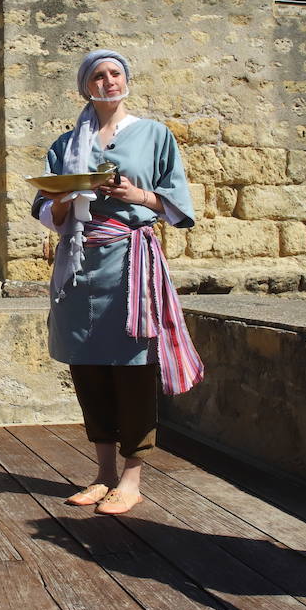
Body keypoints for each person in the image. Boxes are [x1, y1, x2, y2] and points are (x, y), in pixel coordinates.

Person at [33, 50, 202, 516]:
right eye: (98, 76)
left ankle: (131, 478)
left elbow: (178, 205)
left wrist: (137, 195)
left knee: (132, 365)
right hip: (79, 264)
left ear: (126, 80)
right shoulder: (67, 143)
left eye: (115, 74)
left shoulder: (154, 135)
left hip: (131, 262)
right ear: (86, 87)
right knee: (87, 366)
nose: (108, 82)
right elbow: (46, 211)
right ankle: (103, 473)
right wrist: (66, 201)